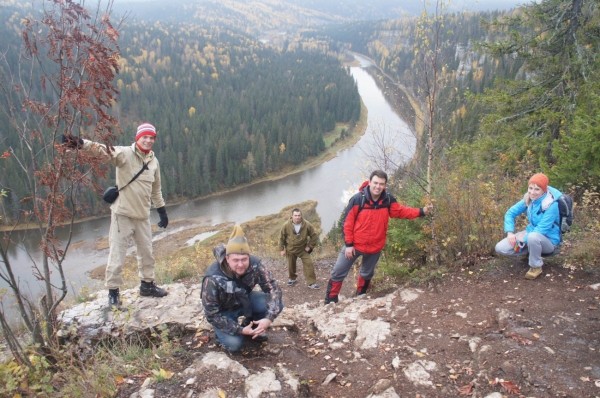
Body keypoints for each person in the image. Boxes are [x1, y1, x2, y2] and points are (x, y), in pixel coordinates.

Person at [62, 122, 169, 309]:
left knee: (147, 254)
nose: (149, 140)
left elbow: (156, 189)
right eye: (145, 137)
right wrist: (79, 143)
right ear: (138, 138)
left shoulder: (154, 162)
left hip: (143, 215)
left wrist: (161, 210)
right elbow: (102, 150)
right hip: (122, 215)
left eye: (152, 138)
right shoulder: (124, 154)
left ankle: (147, 286)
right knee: (117, 255)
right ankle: (113, 294)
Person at [325, 170, 433, 304]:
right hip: (355, 245)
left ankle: (360, 298)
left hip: (375, 247)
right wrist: (349, 245)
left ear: (385, 185)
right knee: (338, 272)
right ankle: (330, 301)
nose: (378, 187)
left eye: (381, 184)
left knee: (366, 274)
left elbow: (400, 211)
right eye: (375, 183)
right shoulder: (358, 199)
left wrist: (421, 211)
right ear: (369, 183)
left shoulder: (387, 200)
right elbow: (347, 223)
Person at [201, 225, 284, 352]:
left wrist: (268, 319)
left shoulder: (255, 265)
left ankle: (254, 326)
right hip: (223, 312)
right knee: (234, 345)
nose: (240, 264)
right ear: (227, 259)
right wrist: (240, 330)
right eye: (236, 260)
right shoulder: (213, 278)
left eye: (244, 259)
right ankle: (224, 334)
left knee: (276, 303)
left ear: (249, 256)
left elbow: (274, 290)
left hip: (244, 300)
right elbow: (212, 314)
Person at [495, 173, 562, 280]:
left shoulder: (551, 205)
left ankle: (536, 266)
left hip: (549, 242)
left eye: (537, 189)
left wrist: (524, 238)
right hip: (531, 235)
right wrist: (510, 232)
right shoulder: (529, 199)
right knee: (501, 248)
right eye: (530, 188)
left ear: (543, 190)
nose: (532, 192)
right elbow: (510, 213)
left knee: (533, 236)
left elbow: (542, 229)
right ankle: (532, 253)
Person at [279, 208, 320, 289]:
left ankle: (311, 283)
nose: (297, 217)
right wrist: (281, 249)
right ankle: (292, 278)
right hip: (291, 248)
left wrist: (310, 246)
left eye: (299, 215)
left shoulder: (307, 225)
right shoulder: (286, 225)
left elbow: (314, 236)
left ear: (301, 216)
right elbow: (281, 238)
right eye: (295, 215)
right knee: (291, 265)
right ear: (292, 216)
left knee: (309, 264)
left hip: (303, 249)